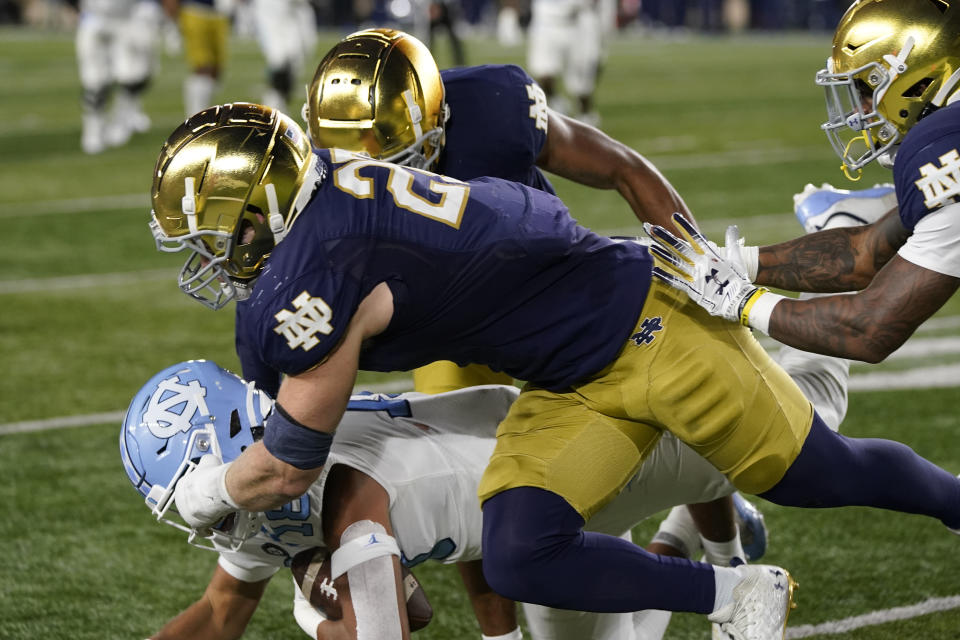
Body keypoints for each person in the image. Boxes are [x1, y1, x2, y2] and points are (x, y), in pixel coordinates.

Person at [147, 102, 960, 640]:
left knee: (822, 471)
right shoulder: (333, 206)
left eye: (212, 231)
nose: (211, 255)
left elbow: (290, 464)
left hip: (646, 326)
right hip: (566, 377)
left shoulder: (313, 271)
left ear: (257, 212)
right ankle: (738, 594)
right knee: (517, 549)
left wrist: (205, 490)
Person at [300, 28, 759, 572]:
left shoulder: (490, 108)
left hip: (547, 287)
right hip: (445, 322)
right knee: (470, 480)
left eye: (390, 155)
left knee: (666, 383)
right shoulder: (316, 194)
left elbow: (620, 167)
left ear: (433, 121)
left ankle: (728, 558)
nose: (374, 177)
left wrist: (696, 269)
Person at [122, 360, 750, 639]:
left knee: (774, 442)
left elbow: (389, 631)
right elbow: (219, 610)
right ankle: (689, 540)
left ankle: (731, 571)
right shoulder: (264, 492)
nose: (210, 517)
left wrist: (310, 616)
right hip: (519, 524)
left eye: (207, 497)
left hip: (572, 459)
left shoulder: (337, 480)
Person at [643, 0, 960, 368]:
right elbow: (863, 254)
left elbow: (870, 329)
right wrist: (732, 261)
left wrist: (740, 300)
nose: (860, 114)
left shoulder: (944, 145)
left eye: (865, 89)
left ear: (919, 78)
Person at [72, 0, 155, 153]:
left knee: (133, 76)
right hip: (94, 18)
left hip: (129, 18)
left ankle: (121, 119)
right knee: (95, 81)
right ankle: (93, 130)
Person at [161, 0, 230, 116]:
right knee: (202, 67)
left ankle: (204, 115)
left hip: (219, 12)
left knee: (216, 70)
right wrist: (171, 24)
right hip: (195, 10)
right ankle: (195, 119)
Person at [248, 0, 317, 113]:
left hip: (296, 11)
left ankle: (279, 104)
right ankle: (271, 109)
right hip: (272, 9)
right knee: (280, 60)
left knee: (298, 58)